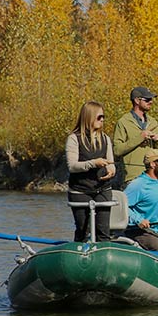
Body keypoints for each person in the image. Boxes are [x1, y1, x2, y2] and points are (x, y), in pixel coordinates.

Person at [66, 101, 116, 241]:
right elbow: (72, 166)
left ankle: (104, 256)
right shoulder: (74, 139)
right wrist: (93, 163)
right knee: (83, 229)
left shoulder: (105, 139)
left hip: (103, 190)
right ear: (89, 117)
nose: (102, 120)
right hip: (80, 191)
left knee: (103, 231)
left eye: (103, 117)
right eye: (99, 117)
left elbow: (111, 163)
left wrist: (111, 170)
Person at [113, 86, 158, 184]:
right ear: (137, 100)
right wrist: (140, 137)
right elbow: (117, 150)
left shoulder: (153, 122)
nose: (151, 102)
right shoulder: (123, 122)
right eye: (147, 99)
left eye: (151, 99)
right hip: (133, 177)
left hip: (153, 175)